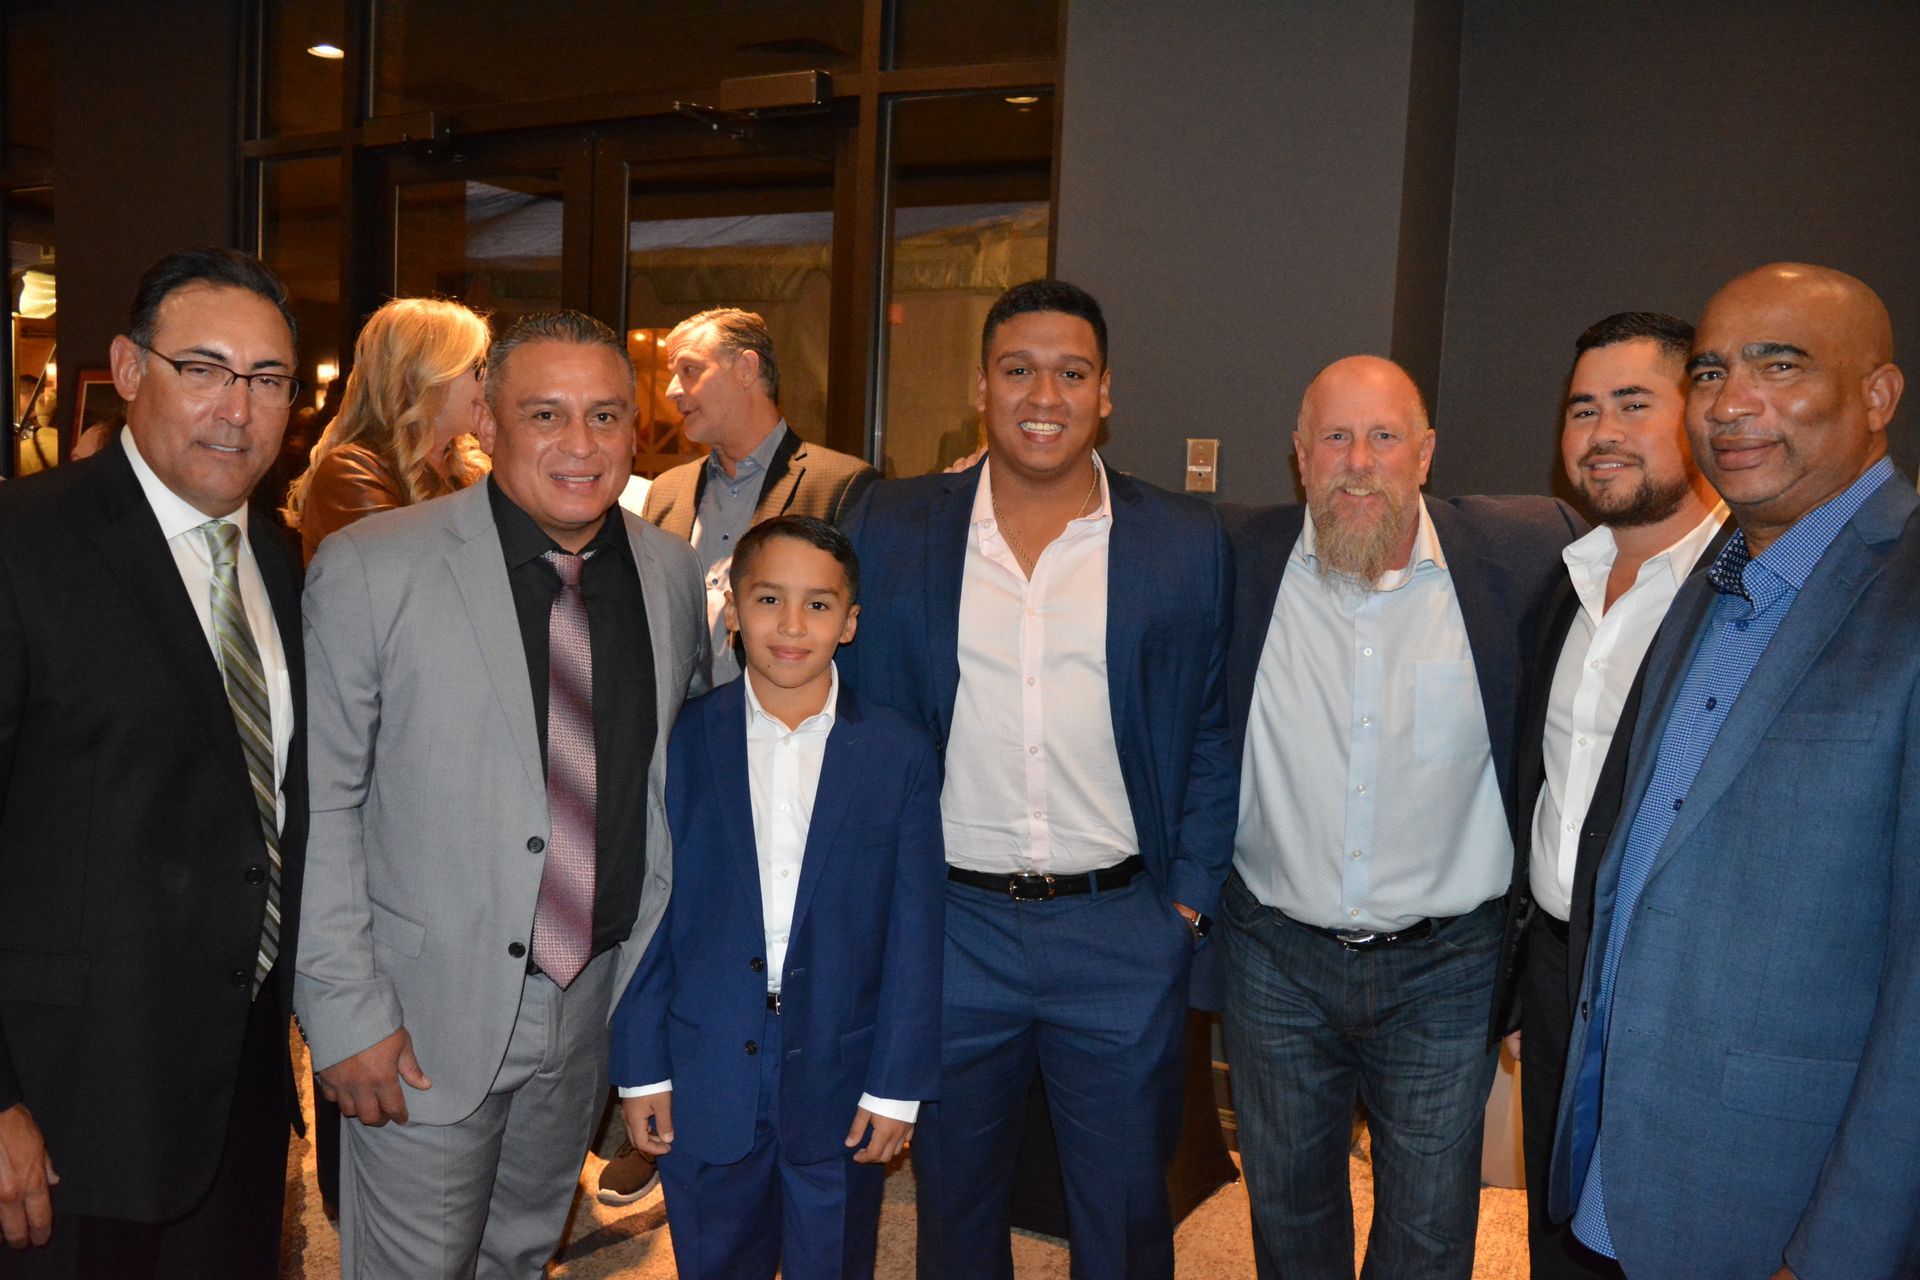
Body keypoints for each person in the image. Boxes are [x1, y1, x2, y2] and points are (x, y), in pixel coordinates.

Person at [296, 310, 708, 1278]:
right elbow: (320, 803)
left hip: (591, 996)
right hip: (420, 1015)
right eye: (547, 413)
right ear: (487, 413)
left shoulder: (670, 572)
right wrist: (345, 1008)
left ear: (637, 429)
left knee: (521, 1254)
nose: (581, 444)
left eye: (606, 415)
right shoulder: (373, 564)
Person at [843, 279, 1237, 1280]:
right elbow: (861, 722)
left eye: (1071, 372)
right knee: (956, 1204)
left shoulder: (1183, 541)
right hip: (952, 926)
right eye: (1018, 369)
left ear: (1106, 392)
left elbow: (1212, 729)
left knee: (1123, 1209)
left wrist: (1183, 903)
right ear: (982, 384)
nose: (1043, 394)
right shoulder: (891, 527)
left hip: (1121, 928)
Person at [1551, 264, 1920, 1278]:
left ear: (1877, 396)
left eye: (1781, 364)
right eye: (1711, 372)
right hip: (1628, 1162)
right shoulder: (1714, 582)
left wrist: (1844, 1248)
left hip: (1784, 1202)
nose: (1733, 402)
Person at [1219, 355, 1578, 1280]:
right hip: (1275, 958)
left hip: (1447, 968)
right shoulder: (1240, 562)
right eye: (1334, 438)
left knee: (1427, 1227)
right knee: (1287, 1207)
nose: (1358, 461)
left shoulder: (1522, 554)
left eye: (1384, 437)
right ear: (1299, 457)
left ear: (1424, 454)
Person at [0, 247, 307, 1278]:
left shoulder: (277, 552)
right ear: (130, 370)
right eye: (205, 369)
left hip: (238, 1088)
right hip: (68, 1100)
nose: (239, 408)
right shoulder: (22, 544)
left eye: (269, 380)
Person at [608, 515, 944, 1280]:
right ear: (731, 610)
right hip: (705, 1069)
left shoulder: (898, 754)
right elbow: (647, 917)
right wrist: (641, 1070)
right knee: (715, 1258)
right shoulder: (682, 743)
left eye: (819, 606)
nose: (792, 626)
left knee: (835, 1258)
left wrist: (897, 1088)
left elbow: (916, 932)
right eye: (768, 600)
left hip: (841, 1069)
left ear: (850, 623)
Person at [1507, 312, 1728, 1280]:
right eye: (1583, 408)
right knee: (1558, 1234)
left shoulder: (1751, 591)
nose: (1602, 431)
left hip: (1676, 994)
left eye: (1635, 403)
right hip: (1558, 969)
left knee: (1661, 1238)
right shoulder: (1564, 584)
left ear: (1700, 411)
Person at [642, 308, 876, 685]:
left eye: (689, 370)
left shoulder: (840, 484)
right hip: (679, 731)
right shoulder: (666, 491)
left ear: (746, 369)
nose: (671, 390)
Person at [285, 296, 493, 564]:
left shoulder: (470, 466)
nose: (488, 380)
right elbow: (416, 581)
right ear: (420, 376)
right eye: (477, 367)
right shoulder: (352, 472)